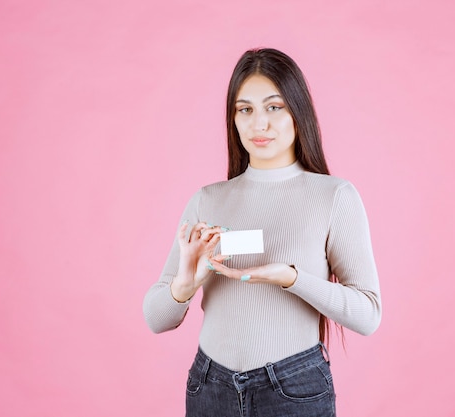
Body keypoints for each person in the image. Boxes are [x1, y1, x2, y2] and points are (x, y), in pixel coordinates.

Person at [143, 47, 382, 417]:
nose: (259, 124)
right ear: (233, 118)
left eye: (274, 107)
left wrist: (292, 278)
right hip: (210, 387)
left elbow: (368, 315)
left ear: (297, 111)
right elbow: (157, 319)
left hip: (293, 389)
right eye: (245, 109)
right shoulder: (208, 200)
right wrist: (185, 285)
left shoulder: (334, 196)